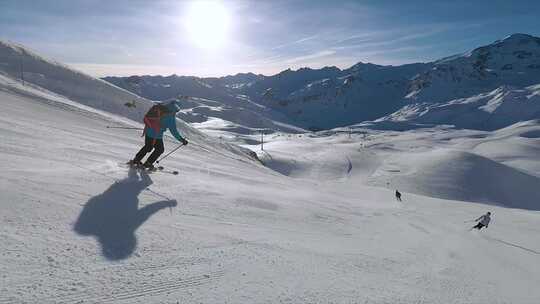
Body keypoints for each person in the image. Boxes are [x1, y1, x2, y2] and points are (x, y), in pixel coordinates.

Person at [129, 100, 188, 170]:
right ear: (175, 110)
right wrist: (181, 140)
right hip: (156, 135)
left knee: (148, 147)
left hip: (148, 131)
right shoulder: (170, 118)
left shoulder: (160, 109)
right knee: (160, 149)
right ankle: (148, 163)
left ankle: (136, 159)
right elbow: (174, 132)